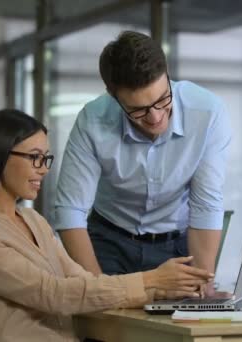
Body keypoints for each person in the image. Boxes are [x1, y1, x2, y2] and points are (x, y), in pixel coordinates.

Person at [0, 109, 213, 342]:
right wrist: (149, 279)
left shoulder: (33, 220)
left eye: (46, 159)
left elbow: (83, 282)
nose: (44, 169)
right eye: (35, 157)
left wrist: (163, 290)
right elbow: (53, 294)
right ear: (0, 156)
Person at [53, 31, 231, 296]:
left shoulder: (207, 112)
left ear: (167, 75)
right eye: (138, 110)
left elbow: (206, 204)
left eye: (162, 99)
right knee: (106, 329)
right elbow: (70, 211)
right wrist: (99, 290)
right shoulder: (93, 120)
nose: (156, 116)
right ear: (114, 98)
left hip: (176, 245)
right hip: (108, 242)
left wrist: (204, 287)